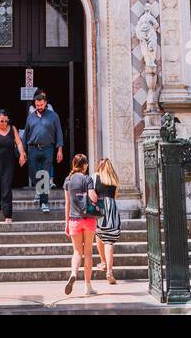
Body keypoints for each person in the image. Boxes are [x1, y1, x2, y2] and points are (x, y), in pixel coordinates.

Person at [21, 89, 64, 213]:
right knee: (34, 173)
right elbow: (26, 135)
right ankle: (39, 190)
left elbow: (59, 133)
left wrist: (59, 150)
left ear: (45, 103)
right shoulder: (30, 118)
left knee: (44, 175)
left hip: (48, 149)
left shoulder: (53, 116)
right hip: (33, 149)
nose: (39, 107)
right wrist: (23, 152)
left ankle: (44, 202)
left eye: (41, 105)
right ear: (34, 104)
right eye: (37, 105)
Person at [63, 154, 98, 297]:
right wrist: (96, 195)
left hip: (73, 220)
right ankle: (87, 286)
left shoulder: (68, 180)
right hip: (88, 219)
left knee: (77, 252)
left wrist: (66, 222)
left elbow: (67, 203)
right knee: (88, 252)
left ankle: (73, 273)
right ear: (84, 165)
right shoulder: (87, 178)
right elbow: (93, 197)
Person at [93, 158, 122, 284]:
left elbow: (92, 194)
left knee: (98, 233)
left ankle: (104, 262)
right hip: (112, 208)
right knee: (109, 240)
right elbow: (115, 195)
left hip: (100, 207)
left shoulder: (95, 177)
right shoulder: (113, 179)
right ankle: (109, 270)